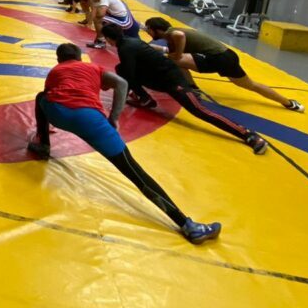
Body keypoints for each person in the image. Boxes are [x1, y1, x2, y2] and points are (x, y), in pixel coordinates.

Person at [27, 44, 221, 244]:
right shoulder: (92, 68)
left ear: (59, 59)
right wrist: (114, 117)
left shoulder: (56, 70)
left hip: (57, 113)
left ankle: (43, 143)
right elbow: (121, 83)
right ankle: (188, 225)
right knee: (135, 172)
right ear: (79, 57)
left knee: (42, 97)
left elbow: (49, 94)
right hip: (89, 119)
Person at [100, 24, 268, 154]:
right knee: (121, 69)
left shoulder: (126, 48)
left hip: (172, 79)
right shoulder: (129, 42)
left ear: (108, 39)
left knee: (199, 110)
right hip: (159, 77)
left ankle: (247, 134)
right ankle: (145, 98)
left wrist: (115, 103)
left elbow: (127, 79)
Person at [143, 17, 304, 112]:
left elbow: (179, 40)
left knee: (250, 85)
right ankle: (289, 103)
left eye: (148, 29)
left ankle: (287, 102)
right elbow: (170, 51)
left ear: (157, 29)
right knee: (251, 85)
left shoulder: (173, 33)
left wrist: (176, 54)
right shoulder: (171, 33)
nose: (147, 32)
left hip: (220, 59)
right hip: (223, 56)